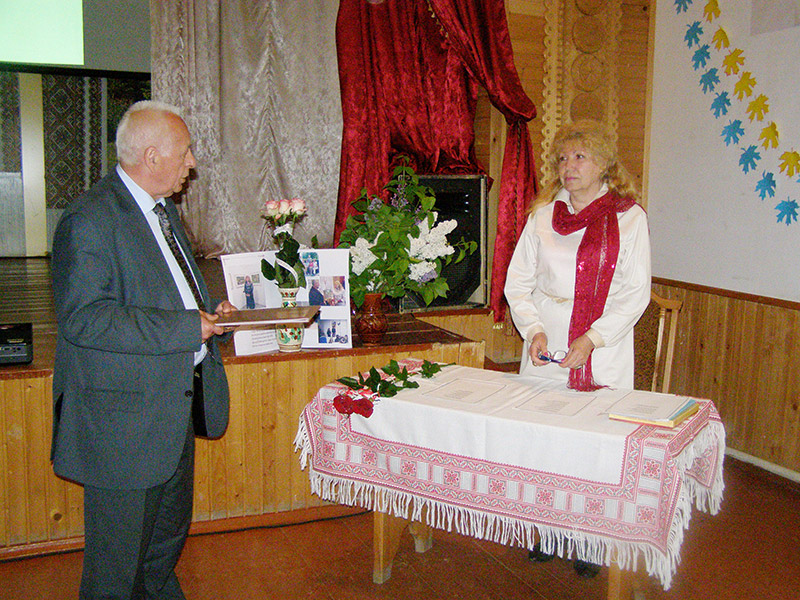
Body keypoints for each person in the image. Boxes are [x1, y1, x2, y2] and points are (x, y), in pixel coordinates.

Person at [51, 100, 234, 600]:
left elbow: (167, 296)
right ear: (152, 157)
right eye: (186, 151)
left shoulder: (162, 210)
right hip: (123, 431)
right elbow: (84, 318)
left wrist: (210, 315)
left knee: (159, 556)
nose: (192, 162)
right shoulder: (89, 219)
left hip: (170, 414)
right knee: (115, 574)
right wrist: (186, 327)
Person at [504, 119, 651, 577]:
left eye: (580, 157)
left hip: (602, 347)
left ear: (604, 163)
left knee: (593, 444)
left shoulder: (629, 218)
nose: (569, 166)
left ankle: (589, 537)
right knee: (544, 438)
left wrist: (591, 340)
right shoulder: (543, 216)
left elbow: (635, 293)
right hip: (547, 344)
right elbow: (517, 283)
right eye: (563, 158)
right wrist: (533, 330)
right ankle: (548, 528)